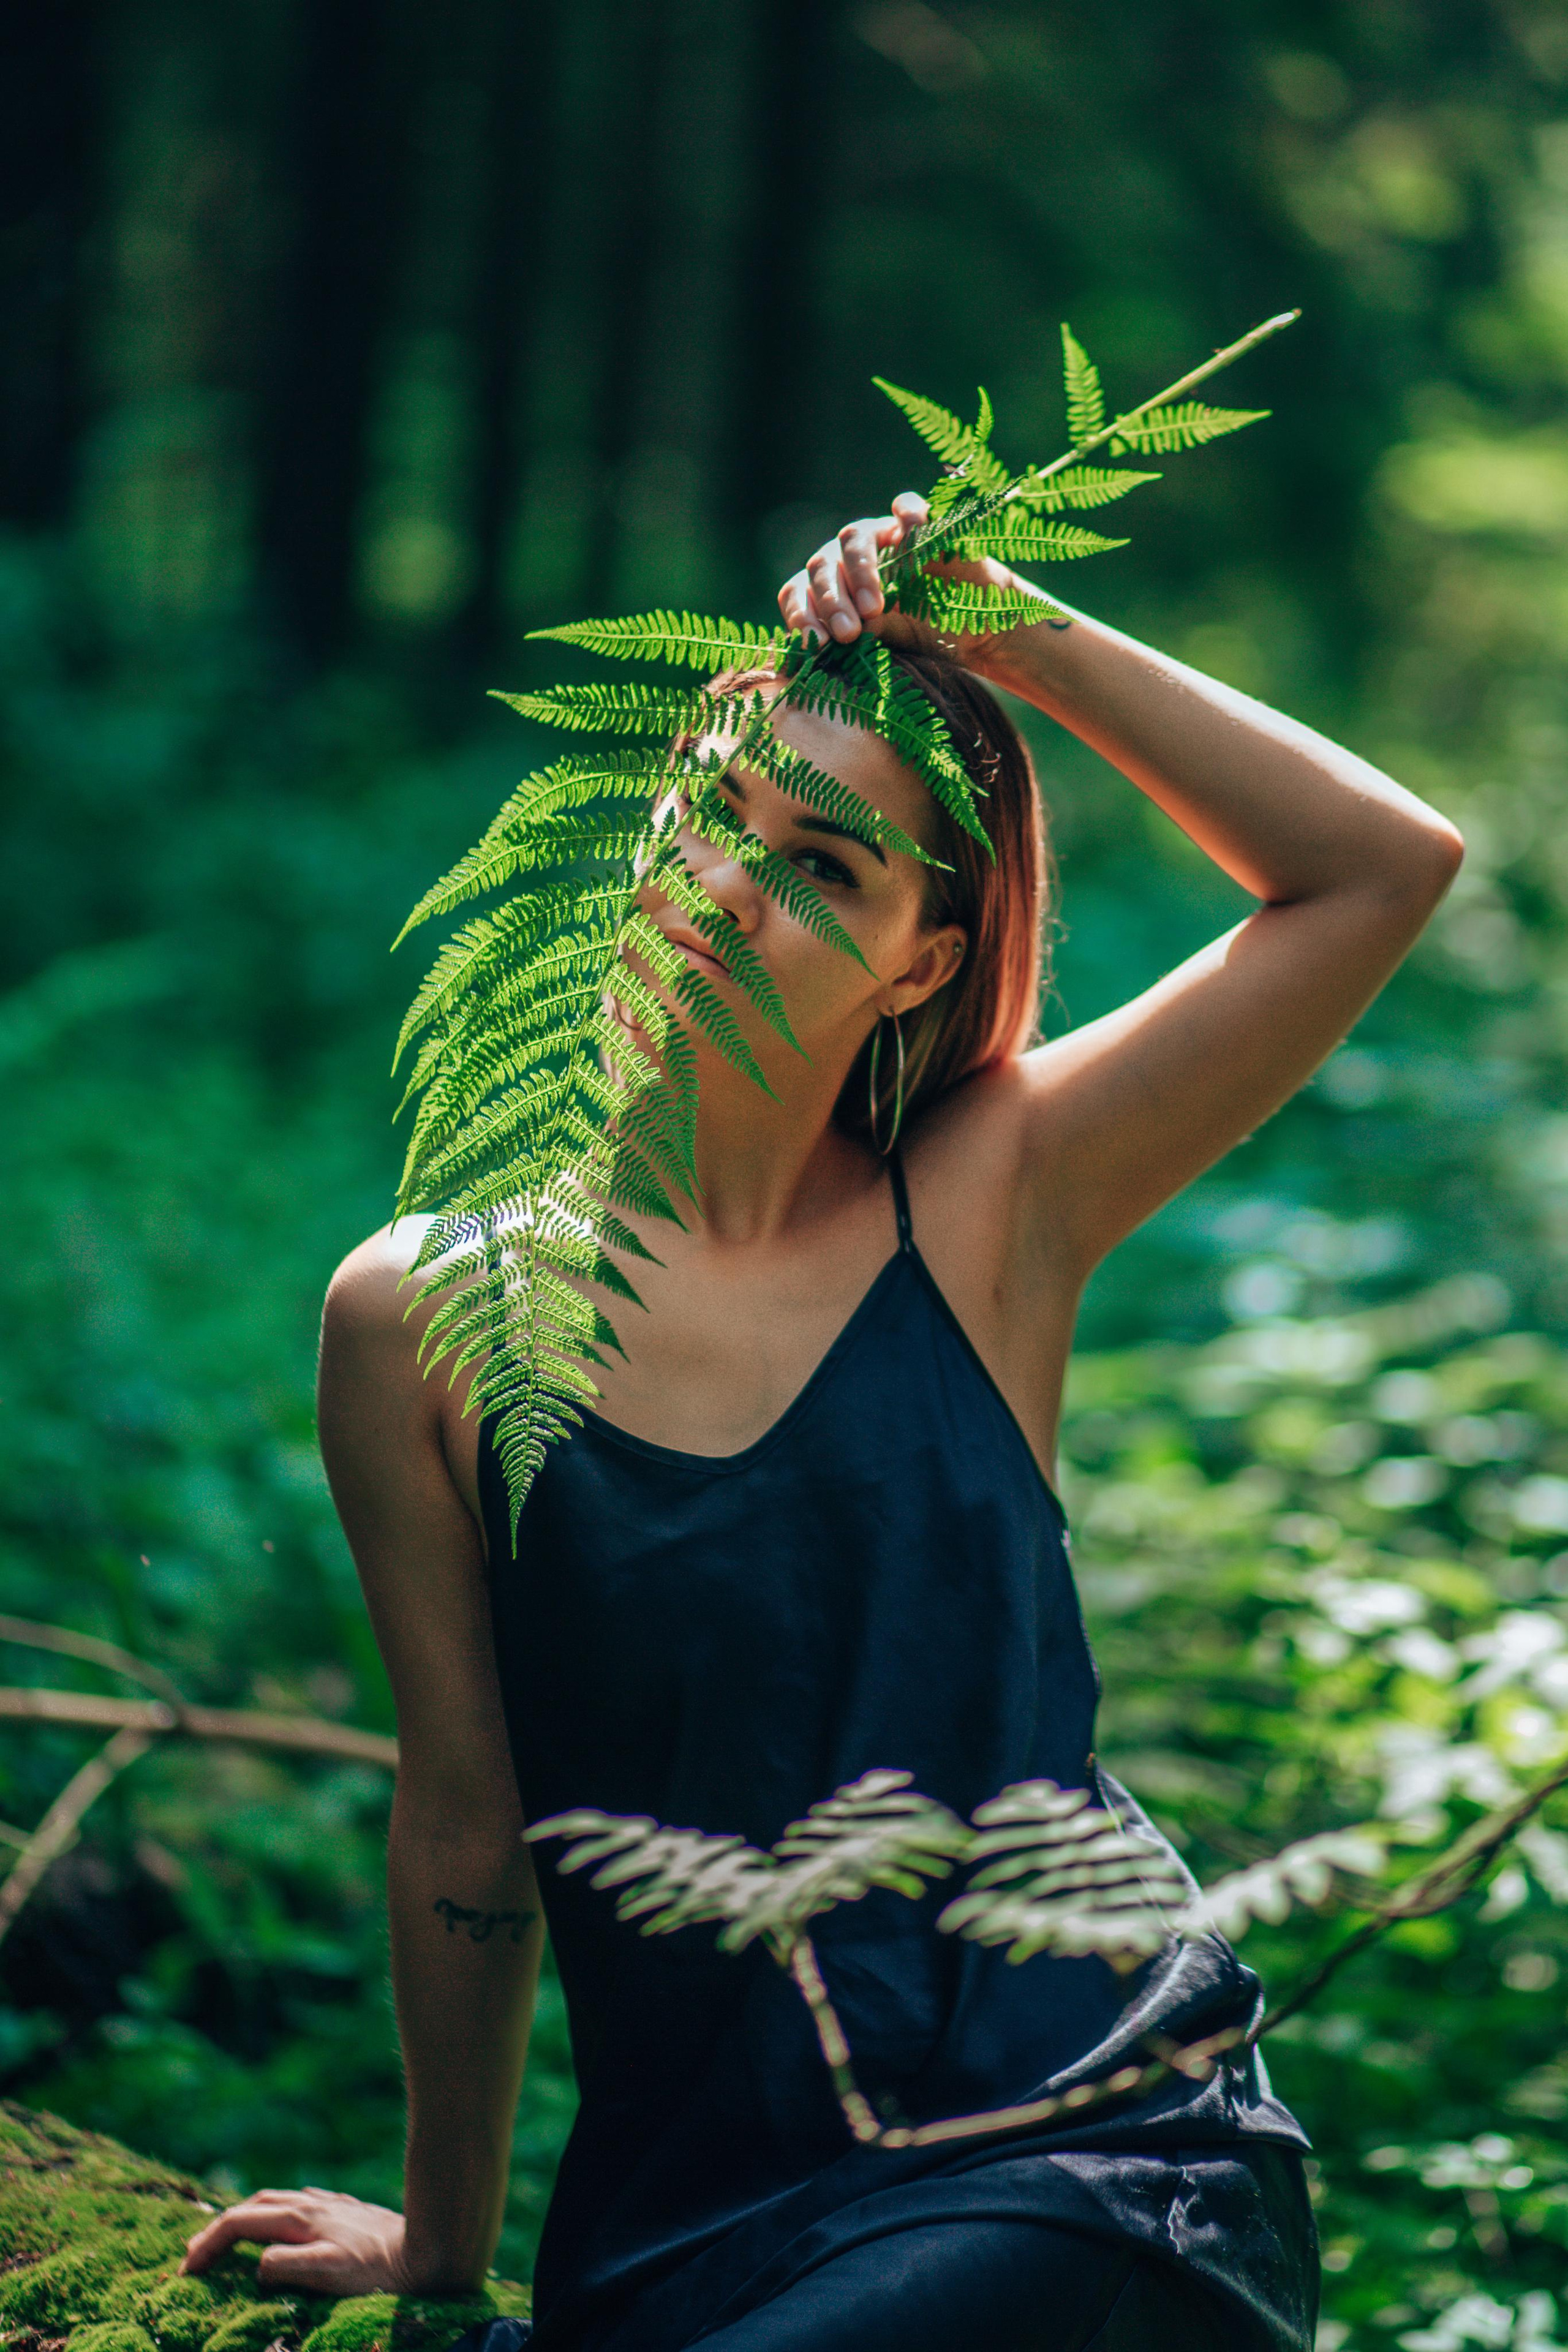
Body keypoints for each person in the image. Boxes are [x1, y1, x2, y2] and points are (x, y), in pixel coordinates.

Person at [180, 492, 1463, 2348]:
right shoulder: (421, 1319)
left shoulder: (993, 1204)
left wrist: (1009, 632)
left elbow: (1379, 869)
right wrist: (443, 2258)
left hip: (1087, 2158)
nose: (731, 889)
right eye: (712, 818)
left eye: (827, 867)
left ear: (920, 961)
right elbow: (469, 1819)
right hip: (691, 2227)